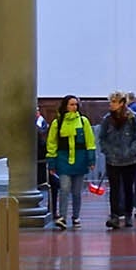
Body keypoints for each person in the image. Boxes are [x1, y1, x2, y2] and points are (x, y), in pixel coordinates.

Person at [46, 95, 96, 229]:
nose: (74, 107)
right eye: (71, 104)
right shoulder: (58, 122)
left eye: (76, 104)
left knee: (76, 191)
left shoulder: (83, 121)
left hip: (80, 160)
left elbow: (90, 142)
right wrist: (51, 161)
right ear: (65, 106)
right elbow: (52, 143)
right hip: (63, 160)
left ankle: (76, 216)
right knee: (64, 188)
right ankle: (62, 216)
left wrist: (91, 159)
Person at [99, 92, 136, 229]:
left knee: (128, 187)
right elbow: (102, 138)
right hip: (112, 160)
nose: (111, 104)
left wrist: (131, 151)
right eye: (110, 102)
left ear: (121, 103)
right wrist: (108, 151)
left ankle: (128, 214)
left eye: (114, 102)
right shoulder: (107, 119)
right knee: (114, 189)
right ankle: (114, 215)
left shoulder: (133, 118)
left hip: (130, 160)